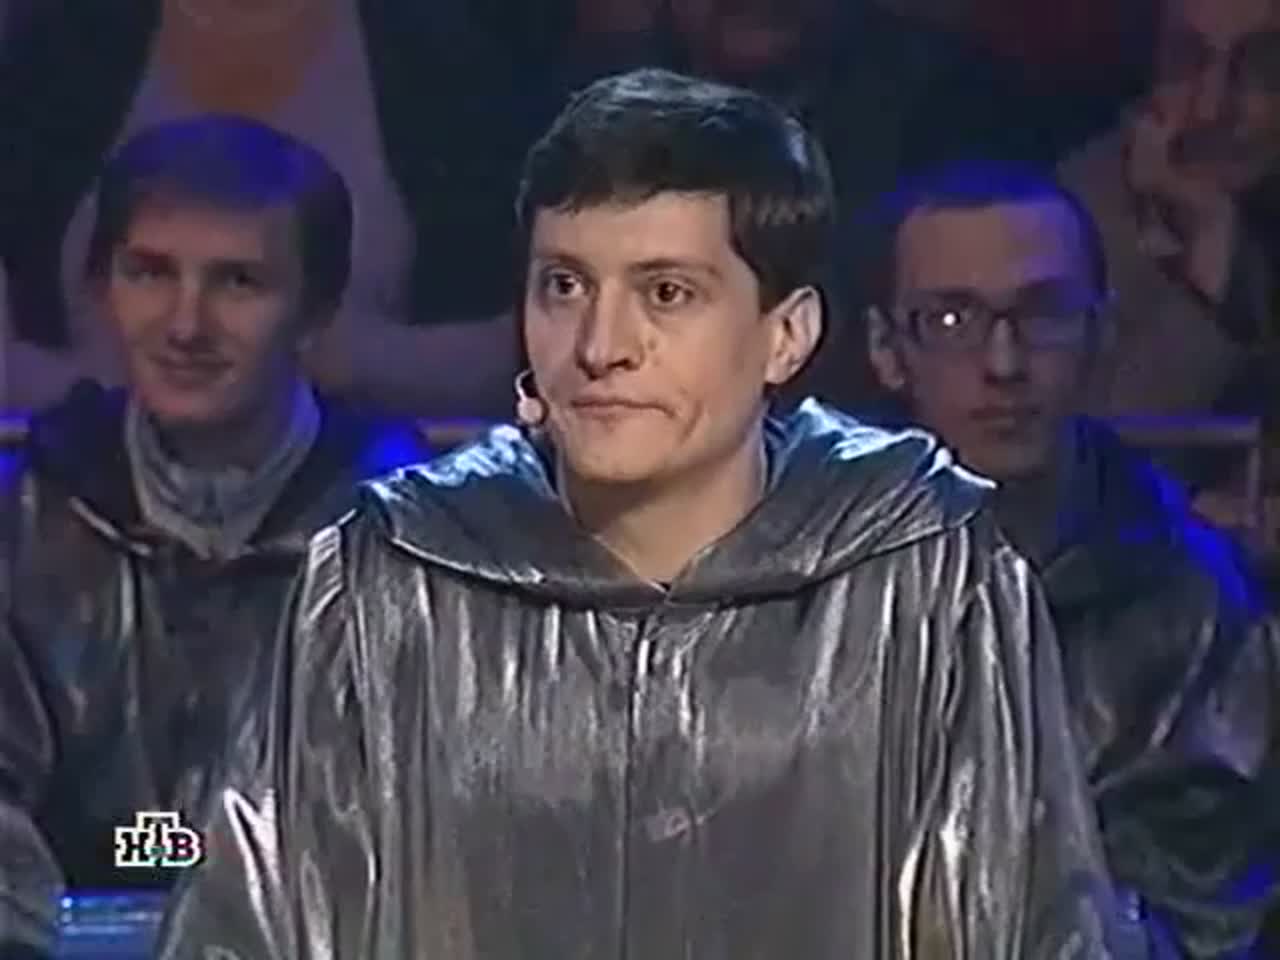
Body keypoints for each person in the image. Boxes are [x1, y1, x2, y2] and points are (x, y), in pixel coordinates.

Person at [156, 69, 1133, 959]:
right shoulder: (390, 578)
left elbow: (1029, 930)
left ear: (786, 334)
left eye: (665, 292)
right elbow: (244, 931)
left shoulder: (927, 576)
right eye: (564, 286)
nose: (599, 345)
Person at [0, 114, 428, 959]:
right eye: (150, 273)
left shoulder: (413, 539)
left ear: (315, 310)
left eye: (238, 282)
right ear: (102, 289)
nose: (185, 325)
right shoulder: (20, 519)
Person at [857, 160, 1278, 956]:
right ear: (887, 347)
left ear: (1101, 334)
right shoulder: (814, 586)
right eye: (951, 318)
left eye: (1044, 313)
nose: (1004, 363)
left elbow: (1213, 918)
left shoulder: (1196, 609)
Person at [0, 0, 518, 417]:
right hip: (68, 483)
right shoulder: (48, 47)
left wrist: (345, 366)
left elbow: (521, 355)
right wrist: (115, 397)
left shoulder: (450, 56)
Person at [1059, 0, 1280, 429]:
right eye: (1185, 60)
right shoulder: (1078, 216)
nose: (1211, 109)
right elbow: (1109, 449)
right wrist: (1209, 260)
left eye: (1260, 67)